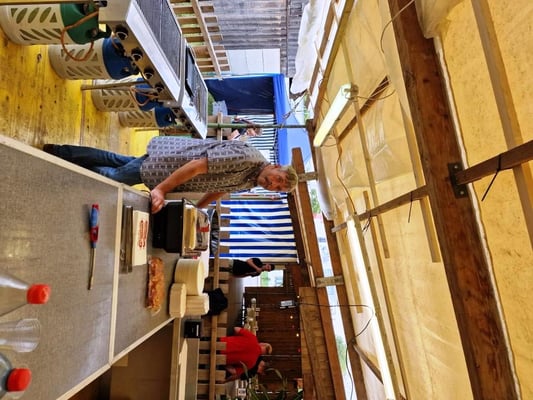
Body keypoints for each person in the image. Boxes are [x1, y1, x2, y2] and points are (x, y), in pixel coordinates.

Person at [42, 136, 298, 213]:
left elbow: (222, 188)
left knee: (116, 162)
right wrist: (161, 189)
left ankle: (59, 151)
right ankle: (59, 171)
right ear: (275, 166)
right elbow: (196, 166)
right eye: (278, 179)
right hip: (170, 165)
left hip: (169, 165)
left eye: (278, 188)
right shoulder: (248, 159)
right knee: (114, 178)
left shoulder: (253, 179)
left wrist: (200, 209)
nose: (272, 184)